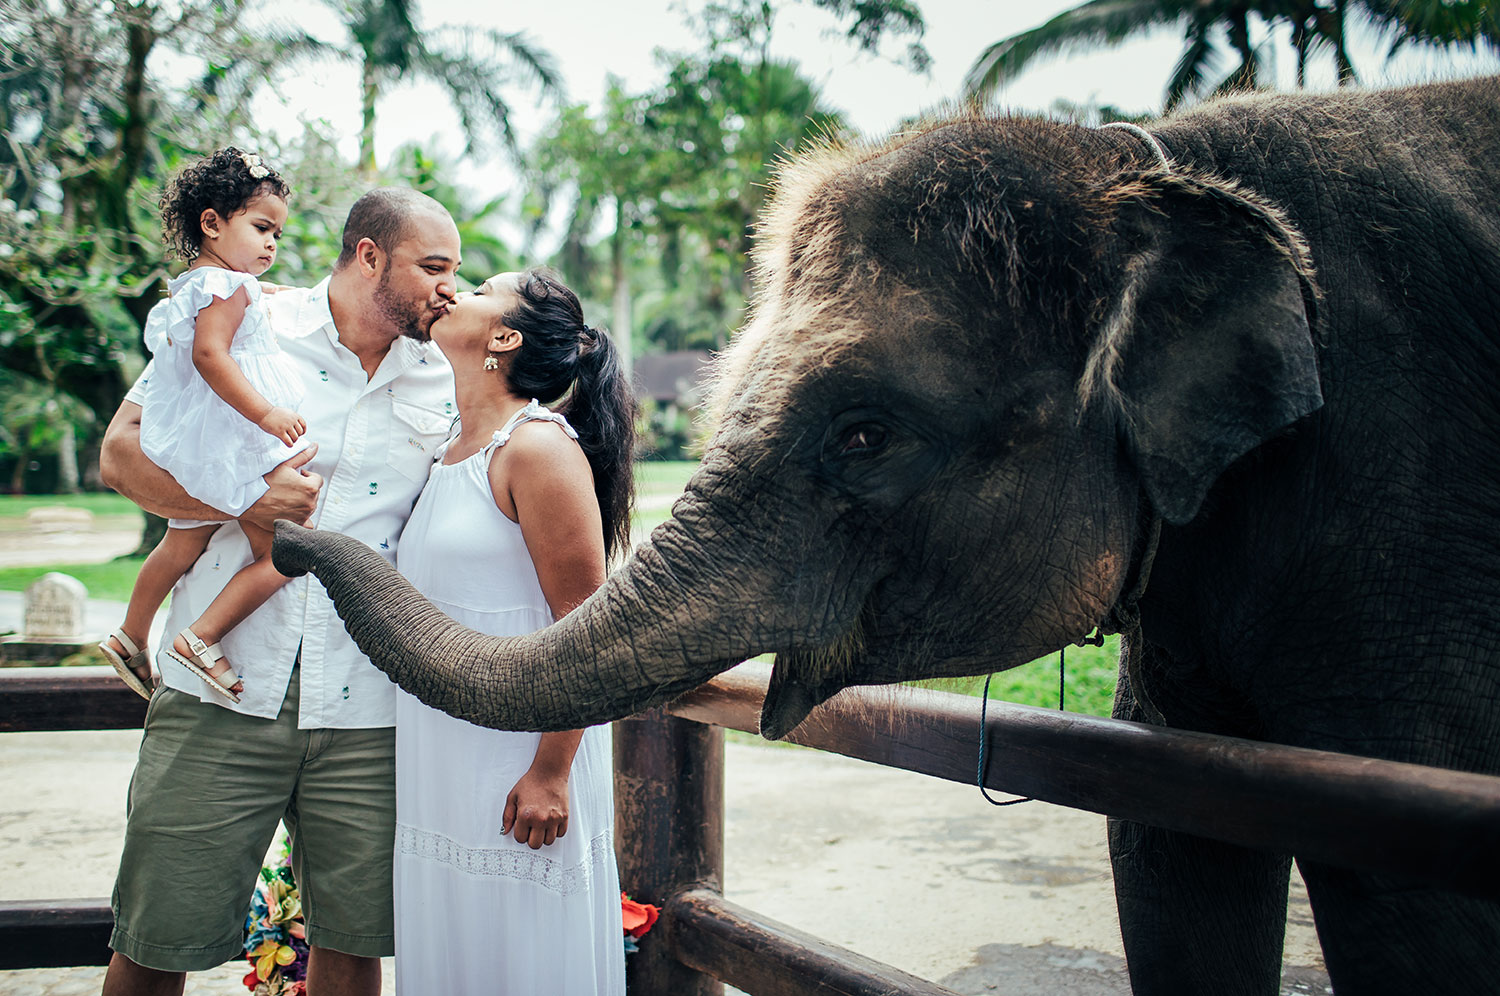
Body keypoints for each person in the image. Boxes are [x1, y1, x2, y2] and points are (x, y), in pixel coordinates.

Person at [98, 187, 461, 996]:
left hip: (372, 705)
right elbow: (119, 456)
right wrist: (239, 502)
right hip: (221, 689)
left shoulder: (446, 372)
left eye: (455, 272)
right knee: (157, 939)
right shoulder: (245, 321)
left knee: (355, 944)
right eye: (432, 266)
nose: (449, 288)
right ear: (368, 255)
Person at [392, 267, 634, 993]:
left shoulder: (536, 448)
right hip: (443, 758)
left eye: (475, 288)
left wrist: (552, 771)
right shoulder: (445, 453)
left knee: (524, 952)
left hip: (524, 763)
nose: (451, 289)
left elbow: (591, 628)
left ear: (502, 336)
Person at [99, 147, 308, 703]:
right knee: (285, 553)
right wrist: (266, 413)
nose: (271, 244)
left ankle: (130, 634)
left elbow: (243, 310)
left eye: (278, 235)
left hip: (197, 435)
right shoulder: (228, 287)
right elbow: (212, 357)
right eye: (262, 228)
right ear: (211, 224)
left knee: (179, 544)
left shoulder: (200, 283)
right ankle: (201, 637)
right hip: (234, 436)